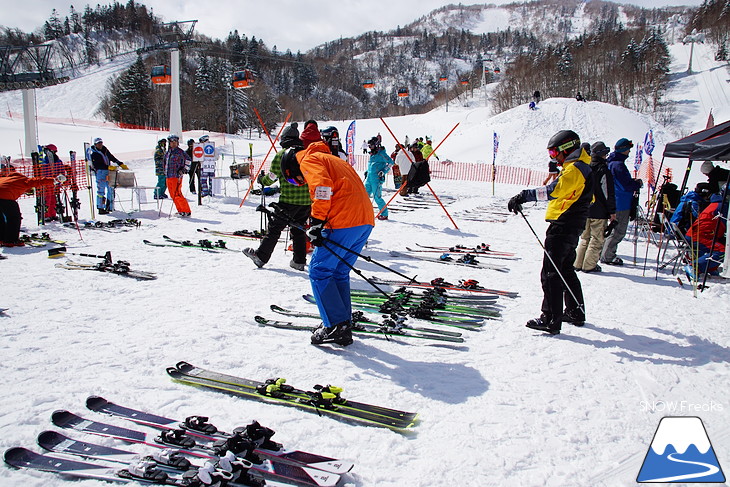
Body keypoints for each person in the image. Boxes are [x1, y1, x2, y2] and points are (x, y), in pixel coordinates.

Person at [280, 136, 374, 346]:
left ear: (291, 167)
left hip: (343, 220)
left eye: (297, 180)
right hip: (364, 220)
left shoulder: (308, 159)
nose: (300, 182)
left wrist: (317, 222)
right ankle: (342, 321)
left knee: (319, 271)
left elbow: (322, 187)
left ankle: (335, 325)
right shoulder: (332, 158)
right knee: (339, 272)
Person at [507, 129, 593, 335]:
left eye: (554, 153)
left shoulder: (575, 170)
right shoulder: (582, 168)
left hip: (564, 225)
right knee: (565, 269)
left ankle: (550, 318)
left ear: (566, 149)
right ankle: (575, 311)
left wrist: (523, 196)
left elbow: (553, 190)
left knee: (550, 273)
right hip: (571, 224)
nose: (553, 158)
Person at [243, 123, 311, 271]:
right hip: (306, 201)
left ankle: (261, 257)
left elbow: (271, 178)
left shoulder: (281, 155)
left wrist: (262, 180)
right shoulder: (305, 154)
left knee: (274, 229)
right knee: (299, 231)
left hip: (288, 201)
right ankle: (299, 261)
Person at [574, 141, 615, 273]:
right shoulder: (603, 170)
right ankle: (589, 265)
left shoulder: (586, 167)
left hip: (586, 208)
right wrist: (611, 211)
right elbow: (607, 193)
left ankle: (578, 263)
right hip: (599, 210)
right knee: (596, 239)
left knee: (585, 238)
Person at [601, 138, 642, 266]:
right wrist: (635, 184)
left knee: (612, 229)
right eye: (628, 149)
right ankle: (608, 255)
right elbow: (624, 185)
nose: (629, 152)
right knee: (618, 230)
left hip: (615, 200)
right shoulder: (618, 165)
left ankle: (604, 252)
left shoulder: (611, 162)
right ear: (623, 149)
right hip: (621, 202)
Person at [0, 165, 56, 246]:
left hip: (4, 196)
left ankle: (1, 238)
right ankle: (11, 240)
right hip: (6, 197)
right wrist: (54, 180)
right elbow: (39, 180)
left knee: (1, 219)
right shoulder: (25, 181)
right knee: (14, 218)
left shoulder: (4, 178)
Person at [684, 191, 728, 279]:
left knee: (721, 245)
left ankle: (710, 267)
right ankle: (695, 267)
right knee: (723, 251)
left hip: (698, 234)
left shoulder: (717, 203)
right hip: (699, 236)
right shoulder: (723, 206)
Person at [89, 137, 126, 214]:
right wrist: (108, 167)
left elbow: (111, 157)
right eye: (98, 143)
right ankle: (100, 207)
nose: (100, 145)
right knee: (101, 191)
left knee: (111, 189)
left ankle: (110, 207)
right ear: (95, 144)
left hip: (108, 172)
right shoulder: (94, 154)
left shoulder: (105, 150)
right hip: (100, 173)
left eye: (101, 143)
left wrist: (120, 163)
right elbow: (97, 165)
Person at [364, 136, 394, 220]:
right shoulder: (372, 154)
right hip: (369, 178)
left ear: (376, 145)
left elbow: (391, 162)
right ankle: (364, 212)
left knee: (377, 197)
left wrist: (383, 171)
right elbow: (372, 165)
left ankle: (384, 214)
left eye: (372, 146)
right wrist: (367, 171)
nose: (370, 148)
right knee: (364, 196)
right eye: (369, 146)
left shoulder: (381, 154)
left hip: (376, 179)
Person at [163, 134, 192, 217]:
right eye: (171, 142)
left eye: (175, 141)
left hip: (176, 175)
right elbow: (165, 162)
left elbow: (188, 160)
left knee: (177, 193)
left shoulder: (180, 152)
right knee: (172, 195)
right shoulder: (168, 152)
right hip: (169, 175)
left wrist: (184, 169)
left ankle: (186, 211)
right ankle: (180, 211)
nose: (173, 143)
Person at [40, 144, 67, 221]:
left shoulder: (58, 161)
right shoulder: (44, 161)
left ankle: (53, 214)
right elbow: (44, 172)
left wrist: (61, 179)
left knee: (54, 199)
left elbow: (61, 170)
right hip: (48, 183)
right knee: (47, 199)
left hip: (56, 183)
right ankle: (46, 215)